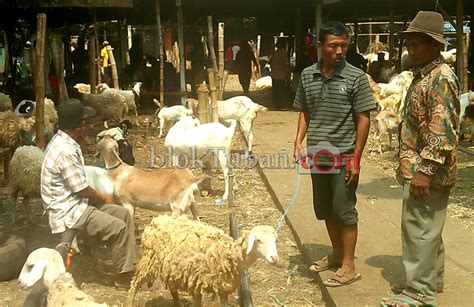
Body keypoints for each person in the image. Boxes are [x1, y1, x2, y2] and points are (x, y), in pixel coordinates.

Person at [381, 11, 460, 306]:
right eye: (408, 45)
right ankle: (432, 280)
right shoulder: (424, 76)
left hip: (428, 170)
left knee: (419, 230)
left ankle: (420, 293)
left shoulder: (440, 79)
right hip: (419, 166)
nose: (410, 50)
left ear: (434, 45)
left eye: (416, 45)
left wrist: (424, 170)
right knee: (429, 228)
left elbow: (442, 132)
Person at [293, 21, 376, 287]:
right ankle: (337, 254)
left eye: (344, 46)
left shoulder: (355, 77)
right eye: (333, 46)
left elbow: (364, 118)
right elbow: (305, 110)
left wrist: (356, 158)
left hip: (343, 155)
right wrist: (298, 141)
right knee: (326, 209)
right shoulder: (307, 75)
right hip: (319, 155)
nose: (339, 51)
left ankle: (349, 265)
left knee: (344, 210)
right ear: (320, 46)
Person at [40, 99, 137, 289]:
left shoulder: (63, 140)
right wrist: (105, 198)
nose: (86, 128)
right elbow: (82, 189)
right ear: (79, 126)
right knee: (119, 229)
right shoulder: (65, 151)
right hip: (68, 211)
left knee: (123, 214)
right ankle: (124, 279)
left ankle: (127, 266)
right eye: (84, 124)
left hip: (74, 203)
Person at [270, 39, 290, 109]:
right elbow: (286, 65)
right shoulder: (283, 53)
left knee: (276, 91)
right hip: (281, 75)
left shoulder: (275, 53)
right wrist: (288, 75)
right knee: (282, 91)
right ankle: (282, 105)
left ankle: (277, 105)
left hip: (274, 75)